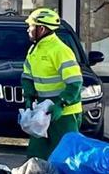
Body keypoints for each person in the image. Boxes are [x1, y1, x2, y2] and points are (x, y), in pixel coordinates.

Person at [21, 8, 83, 159]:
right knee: (37, 154)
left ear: (41, 28)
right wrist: (29, 97)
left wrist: (61, 104)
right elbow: (27, 76)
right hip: (44, 111)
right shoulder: (34, 50)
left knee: (65, 157)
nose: (28, 29)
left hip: (64, 114)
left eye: (31, 26)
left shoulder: (60, 50)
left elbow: (75, 82)